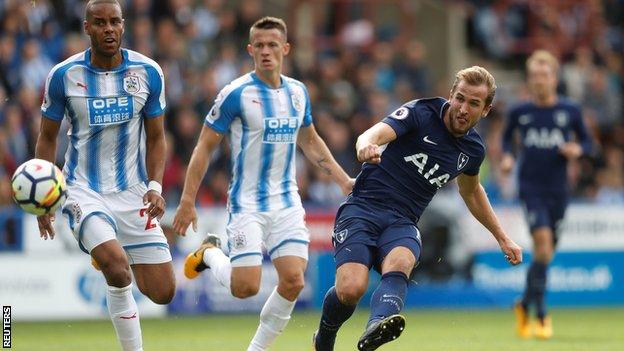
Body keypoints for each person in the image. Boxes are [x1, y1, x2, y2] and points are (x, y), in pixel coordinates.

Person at [172, 17, 354, 351]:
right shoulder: (236, 94)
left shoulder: (298, 93)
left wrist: (344, 180)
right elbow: (204, 147)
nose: (266, 52)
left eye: (273, 45)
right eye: (260, 46)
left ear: (285, 49)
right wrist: (187, 200)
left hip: (286, 201)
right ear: (250, 50)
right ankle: (210, 253)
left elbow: (310, 141)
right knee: (245, 288)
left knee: (294, 279)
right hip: (247, 204)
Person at [313, 66, 523, 351]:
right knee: (351, 289)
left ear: (486, 110)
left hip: (403, 221)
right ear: (451, 94)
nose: (463, 108)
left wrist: (502, 237)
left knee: (401, 261)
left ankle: (377, 326)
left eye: (473, 103)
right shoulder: (420, 113)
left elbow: (472, 192)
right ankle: (324, 337)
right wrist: (366, 146)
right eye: (460, 98)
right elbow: (371, 134)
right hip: (363, 208)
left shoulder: (473, 150)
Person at [36, 1, 175, 350]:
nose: (108, 29)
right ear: (87, 27)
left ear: (124, 25)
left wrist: (155, 187)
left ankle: (109, 247)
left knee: (163, 292)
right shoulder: (64, 76)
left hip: (133, 192)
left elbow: (157, 138)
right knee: (116, 267)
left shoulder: (148, 72)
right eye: (100, 23)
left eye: (114, 22)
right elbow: (48, 138)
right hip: (83, 189)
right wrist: (45, 200)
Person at [500, 50, 592, 340]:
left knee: (545, 254)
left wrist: (578, 150)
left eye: (545, 75)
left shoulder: (570, 111)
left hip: (559, 191)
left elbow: (588, 142)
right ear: (529, 80)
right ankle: (541, 315)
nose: (539, 81)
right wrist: (506, 157)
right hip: (531, 189)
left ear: (554, 78)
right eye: (534, 76)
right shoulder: (520, 112)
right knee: (541, 245)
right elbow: (505, 139)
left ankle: (523, 303)